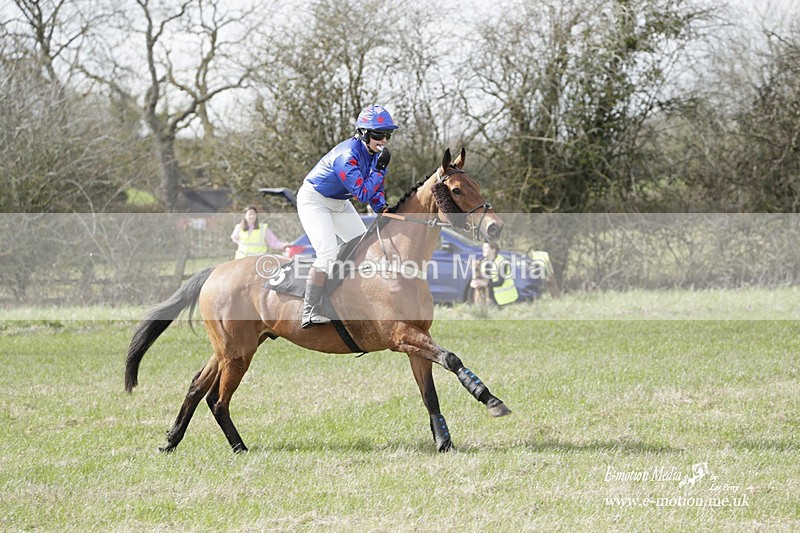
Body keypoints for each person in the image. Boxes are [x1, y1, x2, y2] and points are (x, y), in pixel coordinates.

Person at [296, 104, 398, 328]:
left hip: (339, 202)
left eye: (387, 135)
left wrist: (381, 207)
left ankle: (349, 298)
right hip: (314, 201)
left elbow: (375, 188)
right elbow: (362, 193)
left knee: (364, 247)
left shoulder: (374, 154)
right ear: (363, 133)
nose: (383, 140)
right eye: (378, 134)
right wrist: (380, 170)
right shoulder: (347, 155)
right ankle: (309, 309)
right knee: (328, 252)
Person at [476, 242, 519, 306]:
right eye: (483, 248)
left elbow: (500, 283)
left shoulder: (501, 263)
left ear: (493, 250)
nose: (483, 250)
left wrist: (483, 284)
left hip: (506, 300)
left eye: (486, 248)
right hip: (491, 298)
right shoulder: (484, 261)